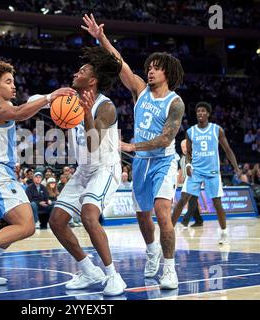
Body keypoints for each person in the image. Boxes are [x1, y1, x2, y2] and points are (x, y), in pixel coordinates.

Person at [82, 14, 184, 289]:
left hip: (163, 161)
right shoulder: (140, 89)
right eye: (149, 67)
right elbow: (119, 62)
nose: (150, 71)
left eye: (156, 68)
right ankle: (152, 251)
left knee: (163, 213)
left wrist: (131, 145)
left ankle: (170, 269)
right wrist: (100, 37)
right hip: (141, 164)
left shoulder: (176, 103)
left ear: (168, 73)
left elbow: (165, 139)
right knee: (143, 215)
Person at [0, 60, 76, 286]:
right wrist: (51, 97)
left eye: (14, 81)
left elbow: (25, 107)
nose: (14, 86)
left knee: (18, 227)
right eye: (8, 82)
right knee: (26, 226)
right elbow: (21, 112)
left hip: (0, 173)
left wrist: (48, 101)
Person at [49, 46, 126, 296]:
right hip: (84, 169)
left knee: (89, 215)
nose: (76, 72)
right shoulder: (69, 99)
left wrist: (85, 115)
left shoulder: (106, 107)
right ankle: (88, 269)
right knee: (57, 221)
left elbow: (93, 145)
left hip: (105, 167)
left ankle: (113, 276)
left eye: (82, 70)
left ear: (92, 80)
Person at [171, 102, 240, 244]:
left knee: (217, 202)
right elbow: (188, 152)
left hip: (212, 172)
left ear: (208, 113)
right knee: (183, 199)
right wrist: (188, 164)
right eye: (198, 111)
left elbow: (227, 149)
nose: (200, 113)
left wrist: (236, 167)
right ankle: (168, 232)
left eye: (203, 111)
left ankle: (224, 233)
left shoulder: (217, 130)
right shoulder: (190, 132)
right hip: (195, 171)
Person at [177, 139, 203, 228]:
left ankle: (185, 221)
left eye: (185, 146)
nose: (184, 148)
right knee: (193, 201)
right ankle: (199, 221)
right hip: (186, 183)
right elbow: (180, 171)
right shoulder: (181, 159)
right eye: (182, 147)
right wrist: (178, 181)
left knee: (191, 201)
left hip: (195, 181)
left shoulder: (195, 156)